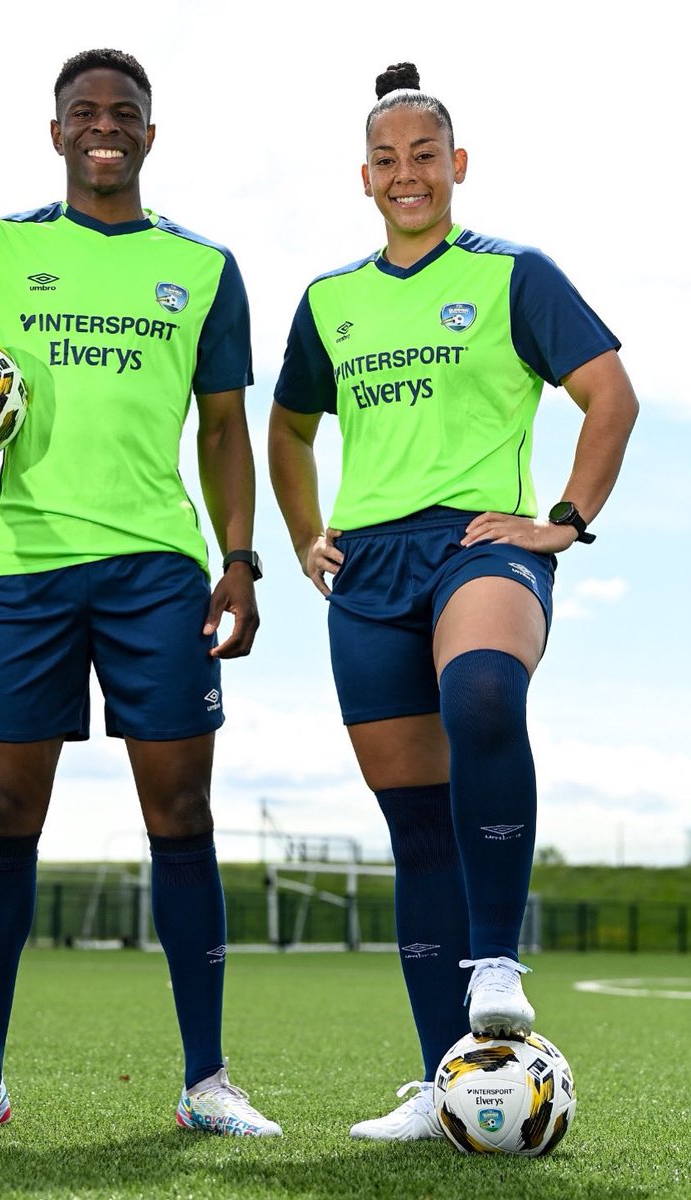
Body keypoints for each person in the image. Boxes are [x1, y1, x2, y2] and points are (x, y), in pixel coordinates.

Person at [0, 47, 280, 1139]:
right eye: (83, 112)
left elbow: (227, 429)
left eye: (123, 113)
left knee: (180, 814)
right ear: (56, 136)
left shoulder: (205, 267)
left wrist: (239, 558)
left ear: (149, 133)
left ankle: (206, 1085)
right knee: (5, 813)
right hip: (27, 573)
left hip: (158, 571)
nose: (103, 126)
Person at [268, 62, 637, 1142]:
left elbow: (608, 390)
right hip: (369, 570)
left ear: (457, 165)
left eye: (425, 155)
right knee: (416, 826)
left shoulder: (518, 274)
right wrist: (302, 532)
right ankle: (442, 1088)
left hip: (482, 543)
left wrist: (564, 517)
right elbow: (289, 429)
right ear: (365, 178)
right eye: (387, 160)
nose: (408, 174)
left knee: (482, 693)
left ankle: (497, 964)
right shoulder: (329, 301)